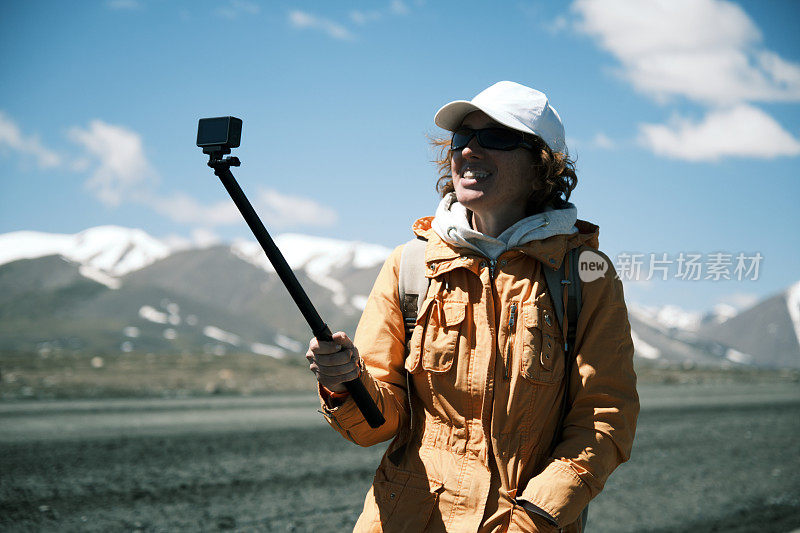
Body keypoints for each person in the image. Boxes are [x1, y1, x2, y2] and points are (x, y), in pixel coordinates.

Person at [307, 81, 639, 532]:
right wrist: (346, 384)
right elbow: (376, 426)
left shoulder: (585, 274)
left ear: (542, 164)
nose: (471, 151)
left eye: (497, 137)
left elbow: (603, 420)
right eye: (464, 139)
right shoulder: (410, 265)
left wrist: (534, 519)